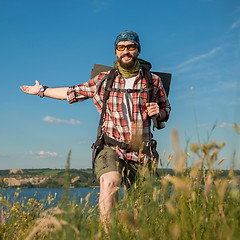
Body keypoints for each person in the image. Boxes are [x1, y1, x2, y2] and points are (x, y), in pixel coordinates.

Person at [20, 30, 171, 226]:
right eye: (121, 47)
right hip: (111, 148)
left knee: (140, 214)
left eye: (131, 47)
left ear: (138, 51)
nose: (126, 51)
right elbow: (72, 92)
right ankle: (108, 235)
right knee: (110, 182)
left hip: (141, 153)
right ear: (116, 52)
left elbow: (166, 110)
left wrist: (158, 112)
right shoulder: (104, 80)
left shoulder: (153, 81)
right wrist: (42, 91)